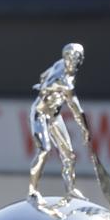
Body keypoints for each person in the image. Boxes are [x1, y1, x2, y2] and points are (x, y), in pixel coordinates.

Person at [29, 42, 89, 203]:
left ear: (80, 59)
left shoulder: (61, 65)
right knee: (44, 151)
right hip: (40, 113)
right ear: (65, 57)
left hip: (55, 116)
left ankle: (70, 189)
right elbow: (76, 109)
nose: (72, 60)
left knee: (69, 155)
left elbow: (43, 75)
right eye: (69, 56)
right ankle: (33, 191)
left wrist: (44, 85)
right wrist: (85, 130)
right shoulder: (65, 82)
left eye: (76, 57)